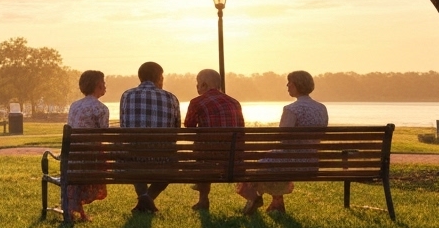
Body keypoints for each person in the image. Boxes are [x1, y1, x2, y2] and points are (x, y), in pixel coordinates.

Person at [238, 71, 328, 215]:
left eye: (290, 82)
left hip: (290, 162)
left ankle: (258, 198)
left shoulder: (291, 109)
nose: (287, 85)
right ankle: (276, 204)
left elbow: (283, 138)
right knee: (272, 161)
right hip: (311, 162)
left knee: (259, 165)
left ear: (297, 85)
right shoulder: (321, 108)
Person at [118, 61, 180, 213]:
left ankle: (144, 198)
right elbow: (176, 131)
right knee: (173, 165)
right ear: (159, 78)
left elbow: (124, 127)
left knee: (130, 157)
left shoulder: (127, 95)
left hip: (134, 158)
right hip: (163, 159)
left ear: (140, 78)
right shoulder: (171, 98)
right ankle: (149, 197)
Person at [183, 69, 244, 210]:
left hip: (208, 157)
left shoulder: (197, 102)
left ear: (203, 84)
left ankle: (203, 200)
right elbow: (241, 129)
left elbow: (189, 127)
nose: (197, 87)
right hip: (233, 156)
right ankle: (253, 196)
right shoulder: (234, 102)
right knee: (206, 149)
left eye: (197, 84)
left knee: (202, 150)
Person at [63, 70, 109, 222]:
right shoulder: (101, 108)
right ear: (98, 85)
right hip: (91, 160)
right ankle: (78, 212)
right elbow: (104, 135)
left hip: (73, 160)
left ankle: (76, 211)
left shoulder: (74, 106)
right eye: (104, 81)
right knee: (99, 153)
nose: (105, 84)